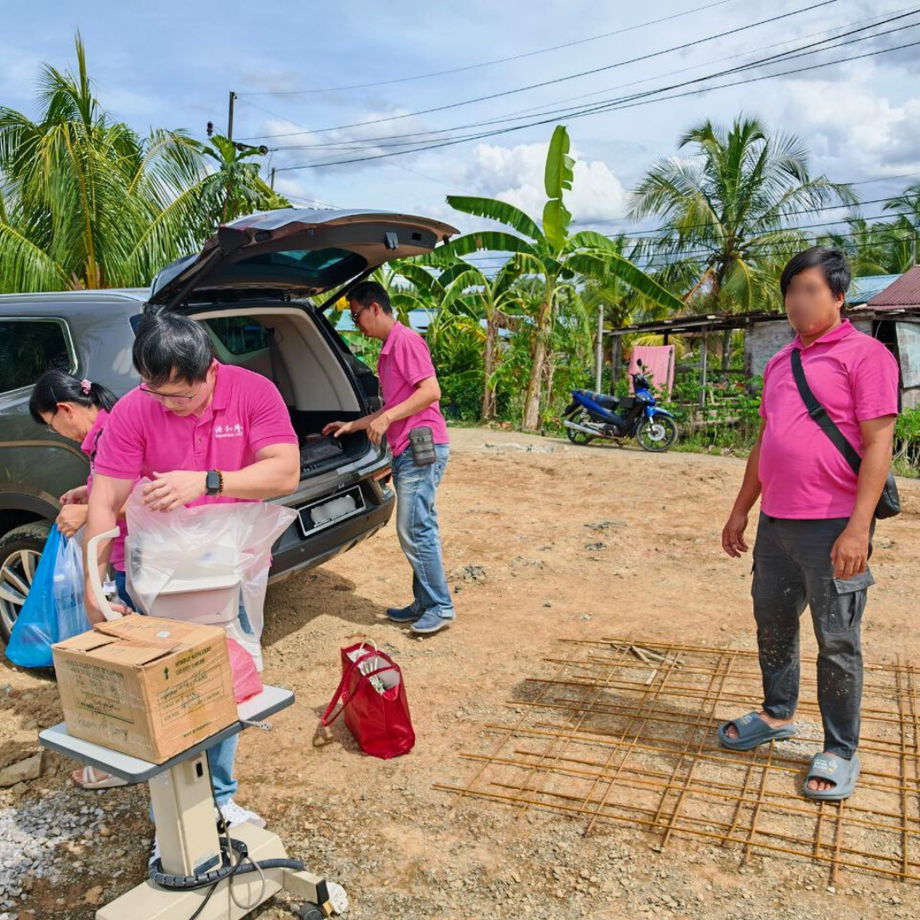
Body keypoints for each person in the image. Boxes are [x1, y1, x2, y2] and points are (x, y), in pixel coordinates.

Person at [84, 311, 300, 847]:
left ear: (211, 370)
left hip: (228, 570)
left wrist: (206, 481)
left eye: (182, 395)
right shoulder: (134, 410)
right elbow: (105, 499)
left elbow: (285, 471)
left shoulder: (253, 392)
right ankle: (173, 812)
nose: (170, 405)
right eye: (157, 393)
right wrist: (94, 586)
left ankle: (220, 797)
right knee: (164, 691)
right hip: (156, 575)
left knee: (227, 683)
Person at [720, 247, 899, 801]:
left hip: (833, 525)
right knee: (773, 623)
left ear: (838, 296)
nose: (797, 302)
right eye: (790, 291)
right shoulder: (780, 361)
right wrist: (741, 508)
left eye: (810, 290)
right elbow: (765, 441)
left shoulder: (866, 356)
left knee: (837, 640)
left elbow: (878, 444)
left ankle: (840, 749)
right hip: (776, 524)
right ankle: (777, 714)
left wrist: (858, 528)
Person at [323, 281, 454, 636]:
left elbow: (431, 391)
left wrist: (387, 419)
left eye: (357, 315)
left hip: (420, 447)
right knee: (420, 526)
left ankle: (440, 606)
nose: (357, 323)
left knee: (414, 528)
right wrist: (352, 425)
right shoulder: (388, 350)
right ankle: (425, 602)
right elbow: (393, 406)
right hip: (407, 448)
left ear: (376, 308)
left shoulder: (405, 341)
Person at [29, 369, 131, 790]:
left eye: (51, 423)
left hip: (137, 558)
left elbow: (147, 493)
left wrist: (89, 512)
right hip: (132, 556)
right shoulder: (106, 432)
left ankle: (125, 761)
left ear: (66, 409)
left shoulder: (111, 434)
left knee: (130, 664)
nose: (58, 433)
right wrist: (88, 491)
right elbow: (118, 484)